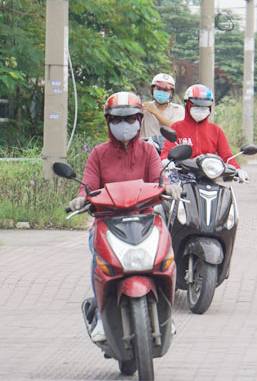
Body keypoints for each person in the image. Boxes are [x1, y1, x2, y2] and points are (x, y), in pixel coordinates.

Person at [68, 91, 181, 342]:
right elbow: (87, 185)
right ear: (108, 122)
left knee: (165, 257)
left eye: (131, 119)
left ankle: (166, 312)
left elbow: (159, 177)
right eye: (117, 120)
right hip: (107, 222)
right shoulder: (99, 153)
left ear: (140, 120)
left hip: (145, 218)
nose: (124, 125)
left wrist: (168, 186)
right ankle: (100, 316)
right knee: (99, 262)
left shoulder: (149, 152)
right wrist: (81, 198)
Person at [160, 84, 249, 182]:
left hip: (209, 177)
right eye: (196, 106)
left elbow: (227, 156)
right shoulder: (177, 127)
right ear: (187, 104)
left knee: (227, 195)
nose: (201, 109)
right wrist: (166, 161)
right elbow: (167, 151)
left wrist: (238, 169)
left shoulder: (216, 130)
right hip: (182, 177)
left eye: (205, 106)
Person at [140, 73, 185, 139]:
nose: (162, 92)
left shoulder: (178, 110)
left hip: (168, 148)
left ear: (171, 93)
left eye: (165, 90)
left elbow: (175, 128)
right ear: (153, 90)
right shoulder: (144, 108)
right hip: (146, 147)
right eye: (159, 89)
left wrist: (155, 112)